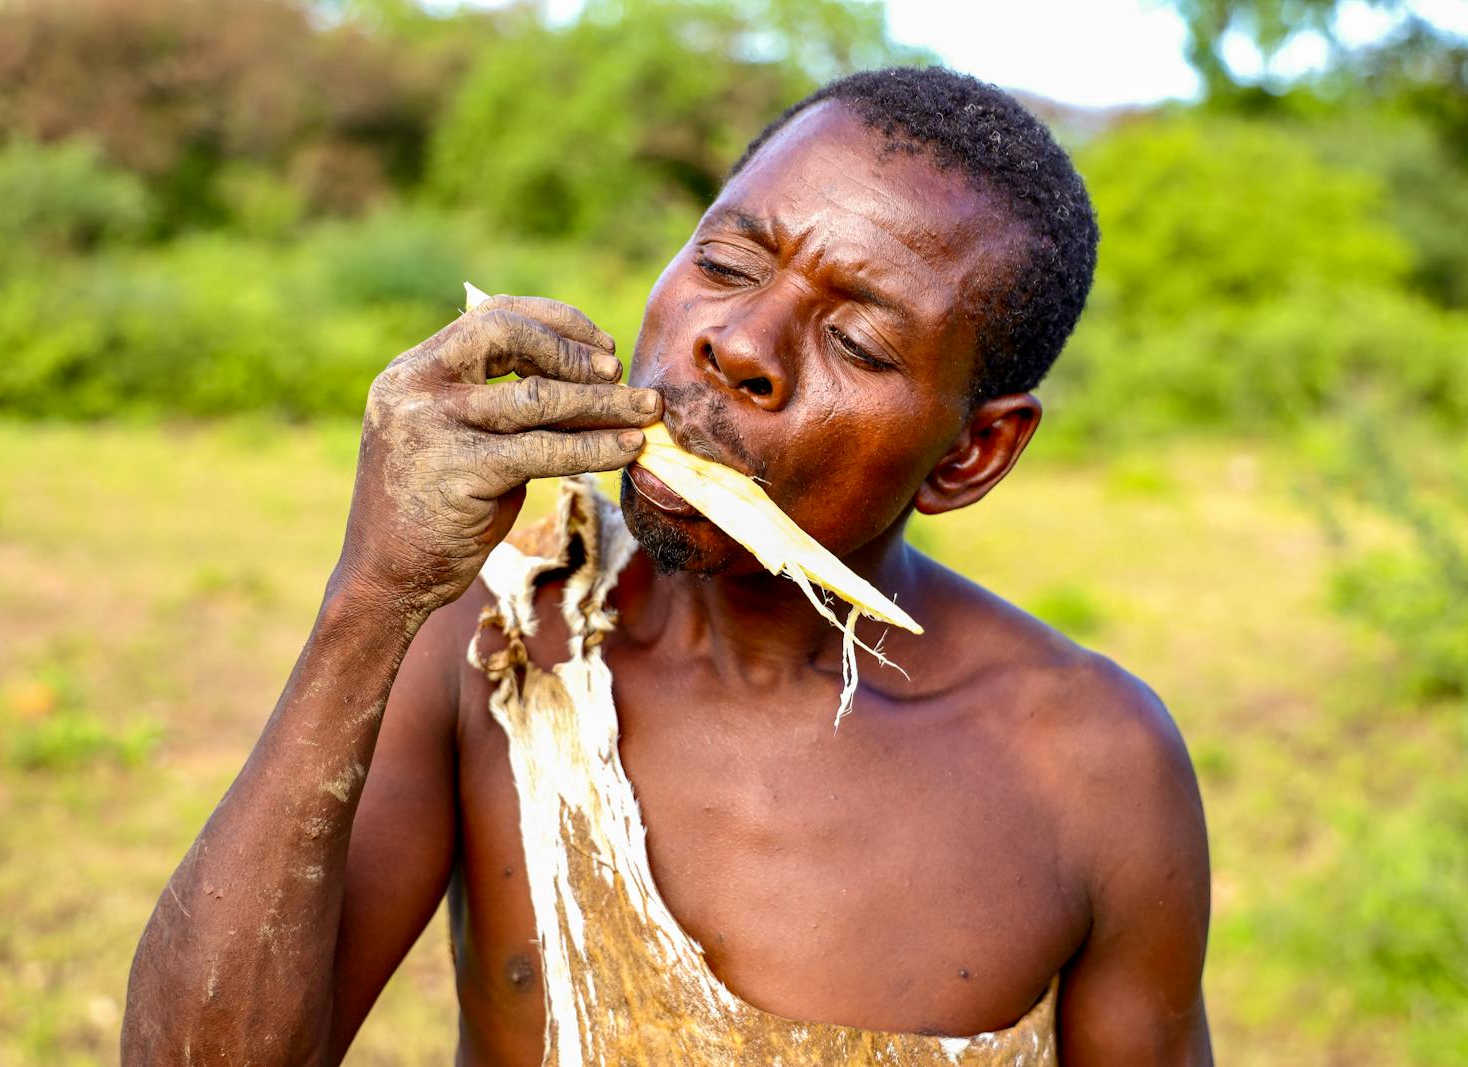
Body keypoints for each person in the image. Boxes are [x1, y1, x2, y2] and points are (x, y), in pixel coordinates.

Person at [124, 66, 1212, 1066]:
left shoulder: (1093, 763)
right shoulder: (494, 636)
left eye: (859, 344)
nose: (737, 346)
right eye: (726, 264)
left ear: (970, 453)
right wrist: (370, 597)